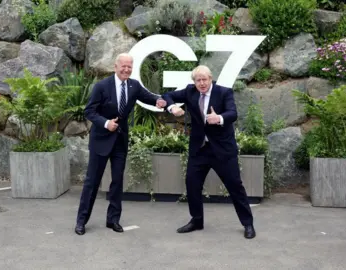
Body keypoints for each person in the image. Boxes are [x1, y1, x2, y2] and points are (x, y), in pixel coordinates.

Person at [75, 53, 166, 235]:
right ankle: (81, 221)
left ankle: (113, 220)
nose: (126, 69)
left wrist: (161, 101)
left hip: (120, 142)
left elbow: (149, 97)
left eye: (129, 66)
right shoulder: (102, 86)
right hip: (101, 140)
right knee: (92, 183)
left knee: (117, 182)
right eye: (123, 66)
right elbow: (89, 111)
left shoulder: (133, 86)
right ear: (115, 67)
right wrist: (106, 123)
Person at [162, 65, 256, 239]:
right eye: (198, 80)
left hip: (222, 150)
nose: (202, 83)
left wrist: (218, 118)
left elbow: (232, 113)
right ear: (194, 82)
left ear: (210, 79)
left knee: (235, 187)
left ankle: (248, 224)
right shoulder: (190, 92)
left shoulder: (224, 92)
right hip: (200, 149)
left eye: (205, 79)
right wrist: (172, 108)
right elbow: (167, 96)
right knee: (192, 184)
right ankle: (197, 220)